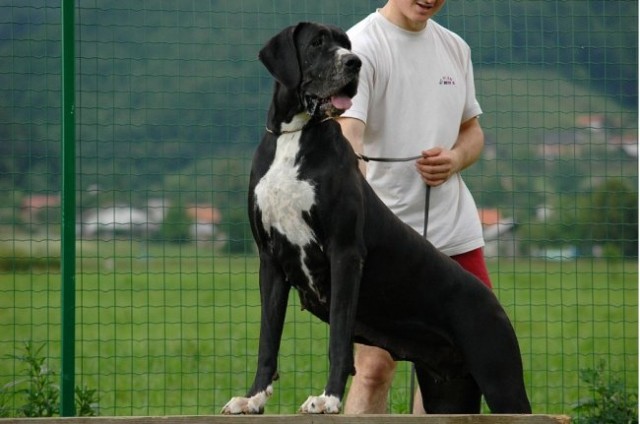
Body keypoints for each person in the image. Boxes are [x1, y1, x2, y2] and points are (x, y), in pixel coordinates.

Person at [337, 0, 493, 414]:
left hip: (452, 232)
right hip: (384, 238)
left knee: (461, 360)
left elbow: (471, 130)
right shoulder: (360, 45)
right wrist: (354, 191)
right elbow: (349, 130)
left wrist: (456, 158)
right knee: (373, 369)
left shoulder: (455, 47)